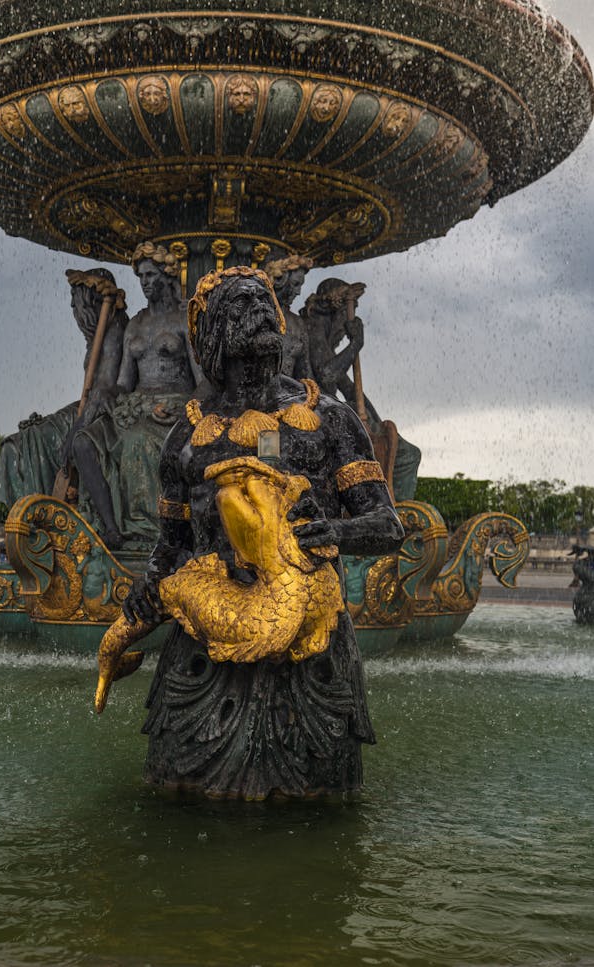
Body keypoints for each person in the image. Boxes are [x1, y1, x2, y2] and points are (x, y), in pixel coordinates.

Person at [121, 266, 404, 799]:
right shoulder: (186, 437)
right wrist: (147, 587)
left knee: (317, 813)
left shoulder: (329, 419)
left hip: (309, 653)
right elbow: (173, 543)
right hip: (206, 655)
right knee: (183, 802)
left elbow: (387, 525)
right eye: (238, 303)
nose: (255, 308)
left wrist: (336, 531)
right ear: (211, 337)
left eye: (261, 300)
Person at [63, 241, 203, 549]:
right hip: (134, 405)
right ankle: (111, 531)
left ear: (168, 276)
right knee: (83, 443)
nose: (146, 283)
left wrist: (183, 411)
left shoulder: (185, 321)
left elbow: (203, 383)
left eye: (151, 275)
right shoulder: (136, 323)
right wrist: (104, 393)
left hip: (173, 407)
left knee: (136, 440)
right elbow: (124, 382)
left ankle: (147, 532)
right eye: (141, 277)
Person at [0, 267, 128, 507]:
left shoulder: (115, 330)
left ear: (93, 303)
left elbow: (104, 391)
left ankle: (36, 515)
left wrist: (77, 425)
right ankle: (23, 519)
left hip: (105, 410)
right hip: (87, 405)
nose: (74, 312)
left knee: (33, 442)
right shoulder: (96, 335)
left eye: (77, 305)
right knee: (21, 442)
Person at [301, 277, 422, 500]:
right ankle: (389, 508)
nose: (347, 325)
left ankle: (397, 508)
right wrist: (356, 344)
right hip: (311, 417)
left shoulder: (322, 335)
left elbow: (348, 387)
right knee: (406, 456)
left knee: (407, 454)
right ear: (335, 309)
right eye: (348, 314)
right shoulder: (313, 327)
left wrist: (379, 426)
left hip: (328, 414)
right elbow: (328, 373)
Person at [265, 254, 314, 380]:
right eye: (295, 284)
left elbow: (306, 376)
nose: (298, 292)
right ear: (280, 281)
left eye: (300, 286)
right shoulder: (257, 316)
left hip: (289, 396)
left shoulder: (298, 324)